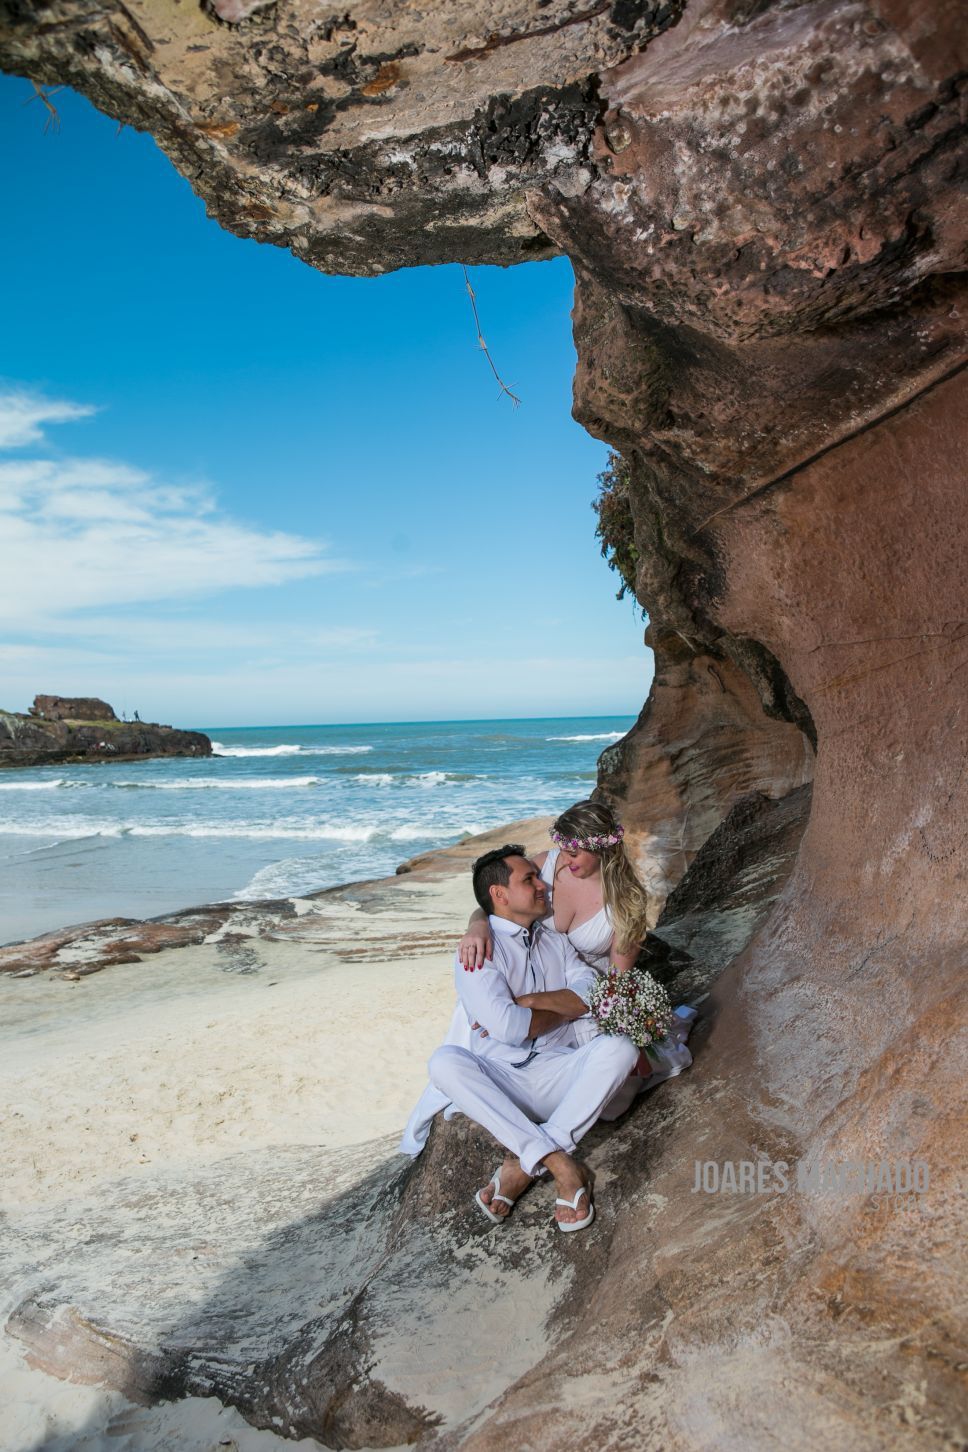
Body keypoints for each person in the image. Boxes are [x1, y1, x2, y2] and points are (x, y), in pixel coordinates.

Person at [416, 844, 639, 1230]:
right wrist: (554, 1009)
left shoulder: (555, 940)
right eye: (530, 879)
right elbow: (507, 1029)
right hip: (504, 1080)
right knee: (444, 1062)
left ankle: (523, 1164)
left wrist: (529, 1003)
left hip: (560, 1069)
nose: (543, 886)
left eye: (538, 877)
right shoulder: (477, 951)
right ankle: (561, 1165)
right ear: (499, 895)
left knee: (621, 1048)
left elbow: (590, 995)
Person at [459, 799, 695, 1083]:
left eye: (574, 853)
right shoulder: (545, 865)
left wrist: (556, 1005)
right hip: (527, 972)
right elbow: (497, 900)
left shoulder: (625, 902)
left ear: (600, 847)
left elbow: (615, 980)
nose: (566, 859)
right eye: (564, 849)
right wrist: (477, 925)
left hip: (580, 991)